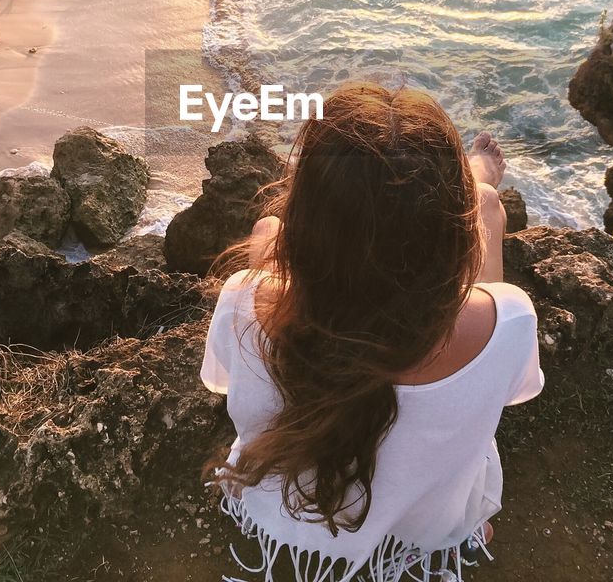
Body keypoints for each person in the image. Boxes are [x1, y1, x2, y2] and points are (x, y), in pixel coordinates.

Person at [201, 82, 541, 581]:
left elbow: (222, 382)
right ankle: (473, 182)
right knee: (487, 205)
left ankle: (405, 190)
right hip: (428, 528)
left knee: (265, 234)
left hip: (283, 521)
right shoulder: (509, 319)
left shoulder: (242, 299)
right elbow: (507, 395)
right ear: (454, 237)